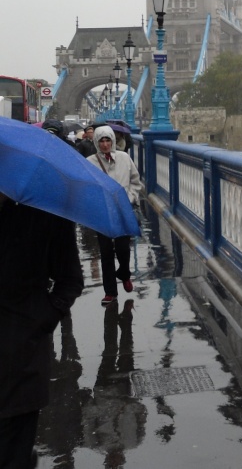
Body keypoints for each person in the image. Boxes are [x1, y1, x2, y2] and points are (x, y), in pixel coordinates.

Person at [0, 191, 84, 469]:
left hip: (21, 357)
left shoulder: (46, 210)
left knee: (14, 453)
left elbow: (70, 279)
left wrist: (41, 318)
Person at [86, 126, 141, 305]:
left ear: (113, 141)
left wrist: (130, 198)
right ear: (96, 142)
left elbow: (135, 181)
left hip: (122, 210)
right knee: (106, 252)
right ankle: (110, 292)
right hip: (103, 212)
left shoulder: (124, 158)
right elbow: (87, 188)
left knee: (123, 249)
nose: (105, 144)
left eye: (108, 140)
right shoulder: (90, 162)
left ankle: (124, 273)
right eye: (101, 141)